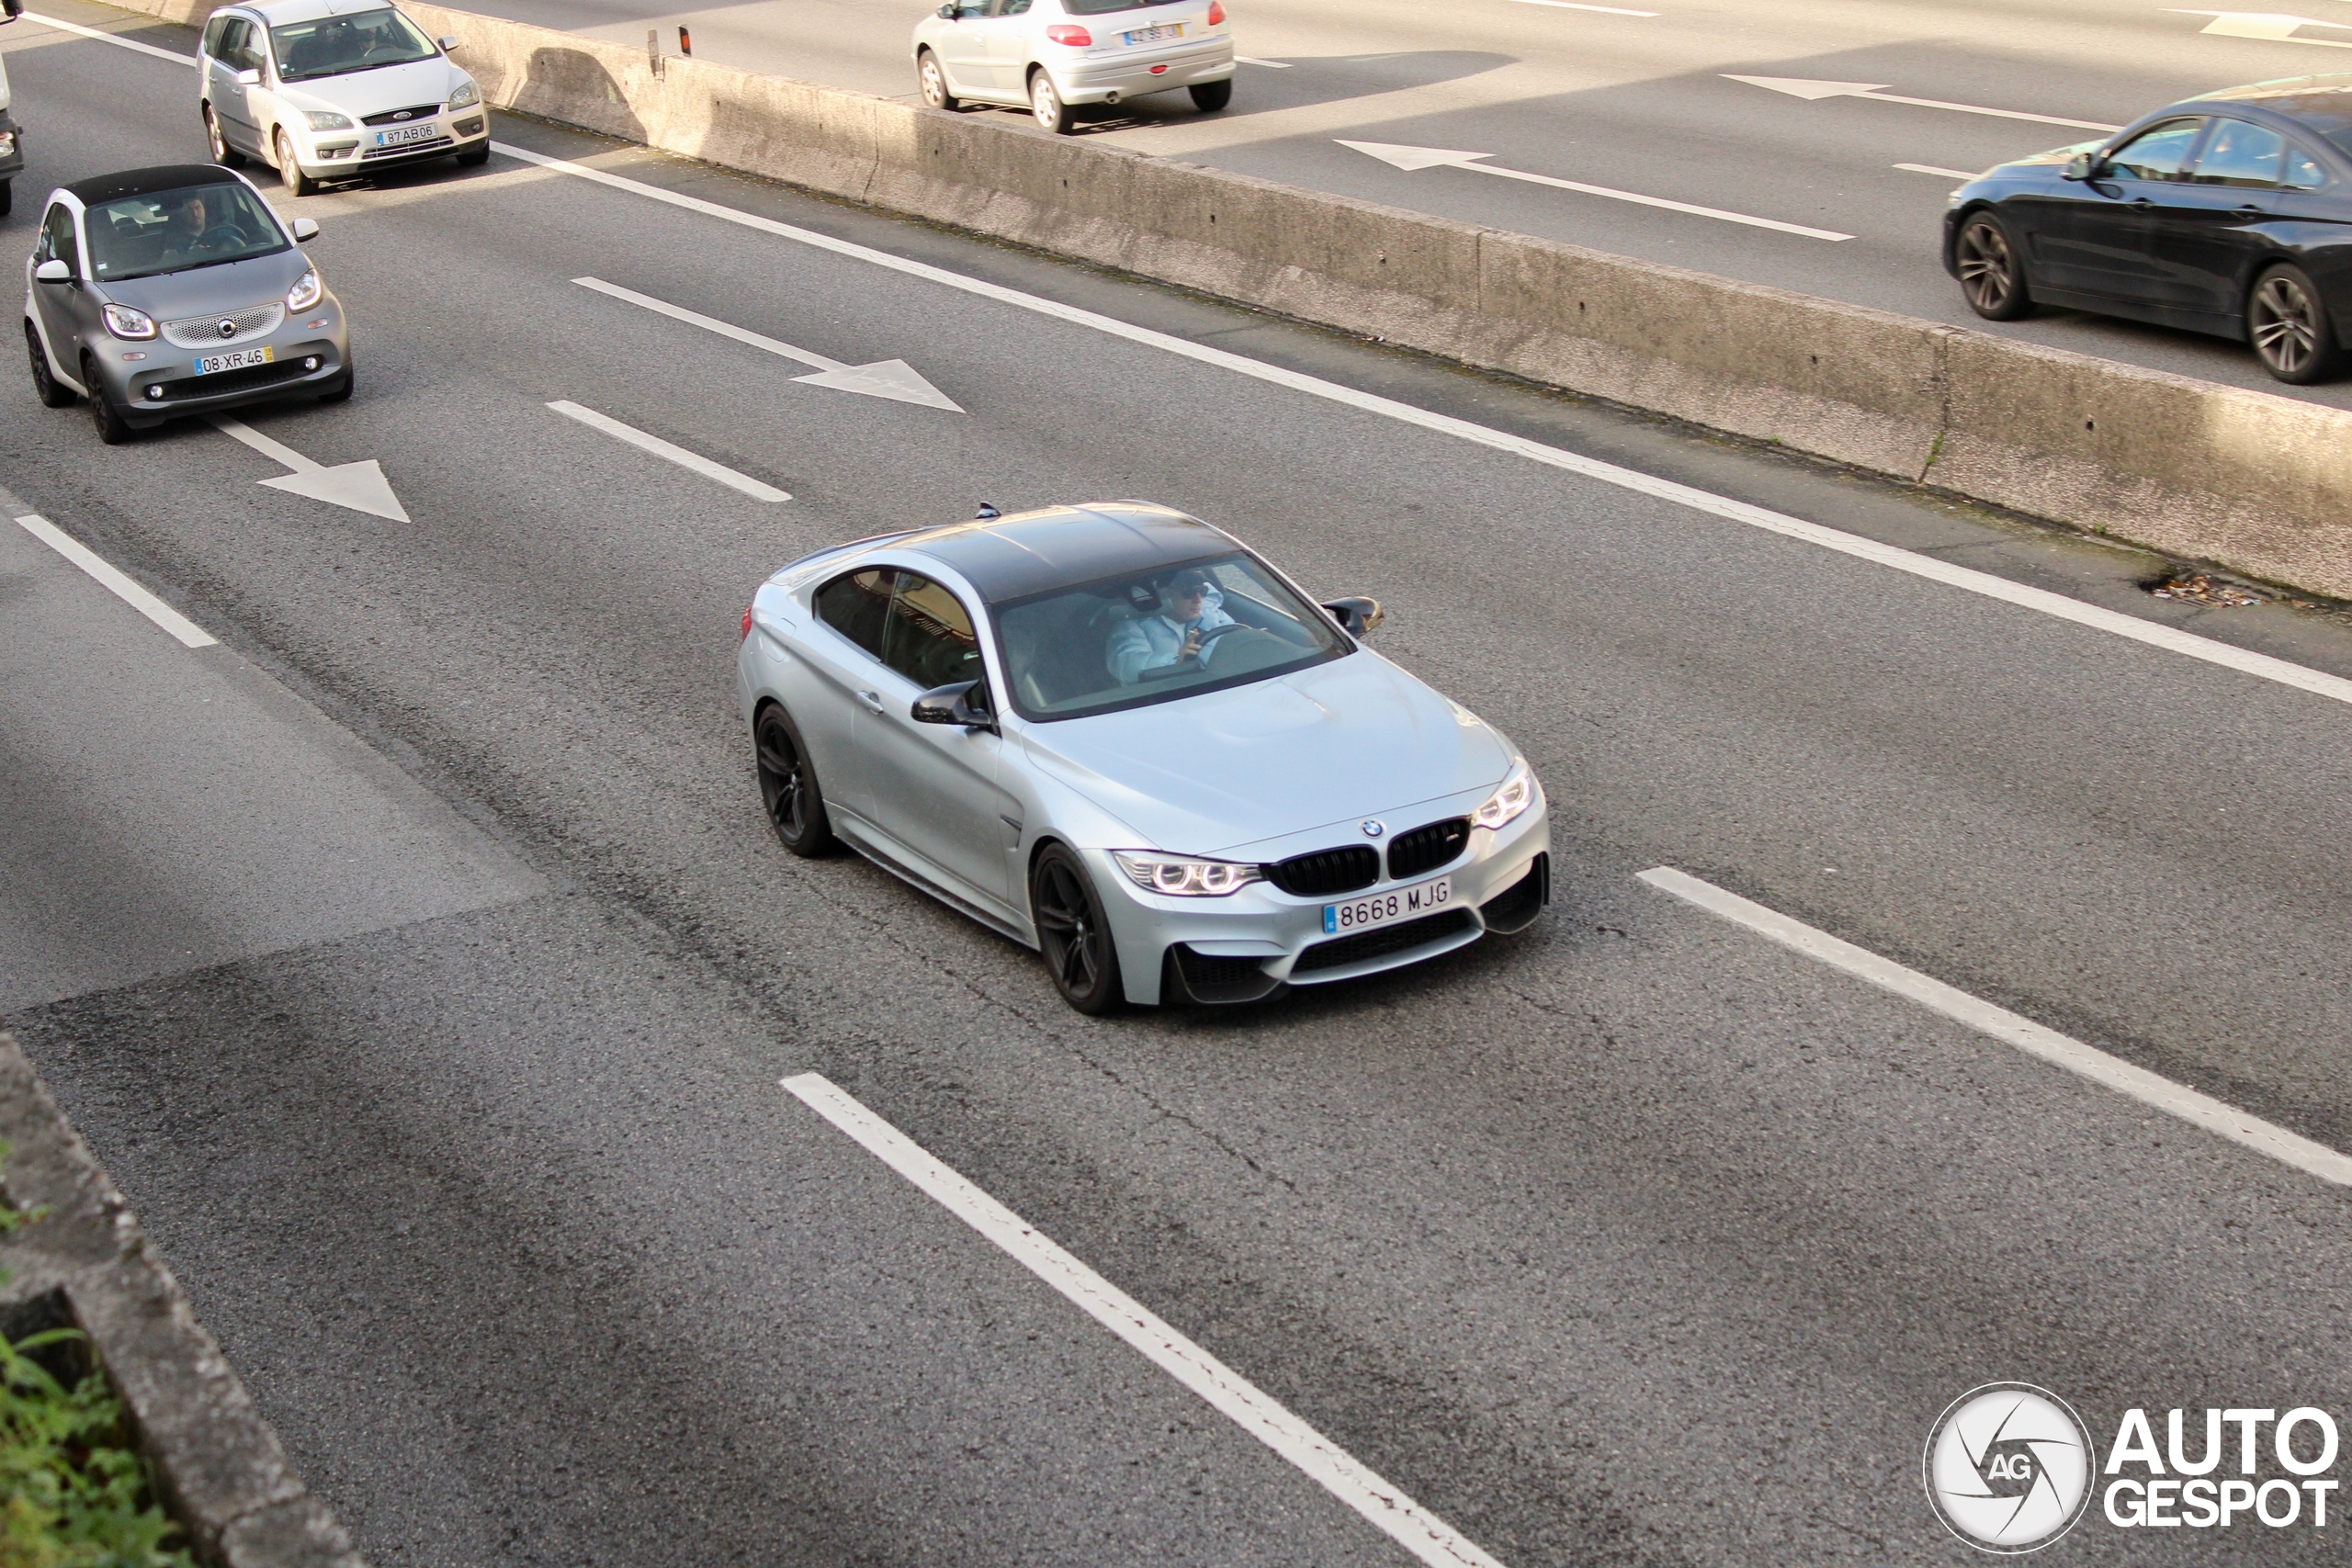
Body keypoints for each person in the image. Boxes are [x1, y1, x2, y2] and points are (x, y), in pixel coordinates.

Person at [1106, 568, 1235, 684]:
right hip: (1157, 699)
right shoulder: (1134, 625)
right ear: (1165, 594)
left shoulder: (1213, 615)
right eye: (1189, 593)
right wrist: (1176, 662)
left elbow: (1236, 643)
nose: (1198, 599)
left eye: (1202, 591)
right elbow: (1126, 665)